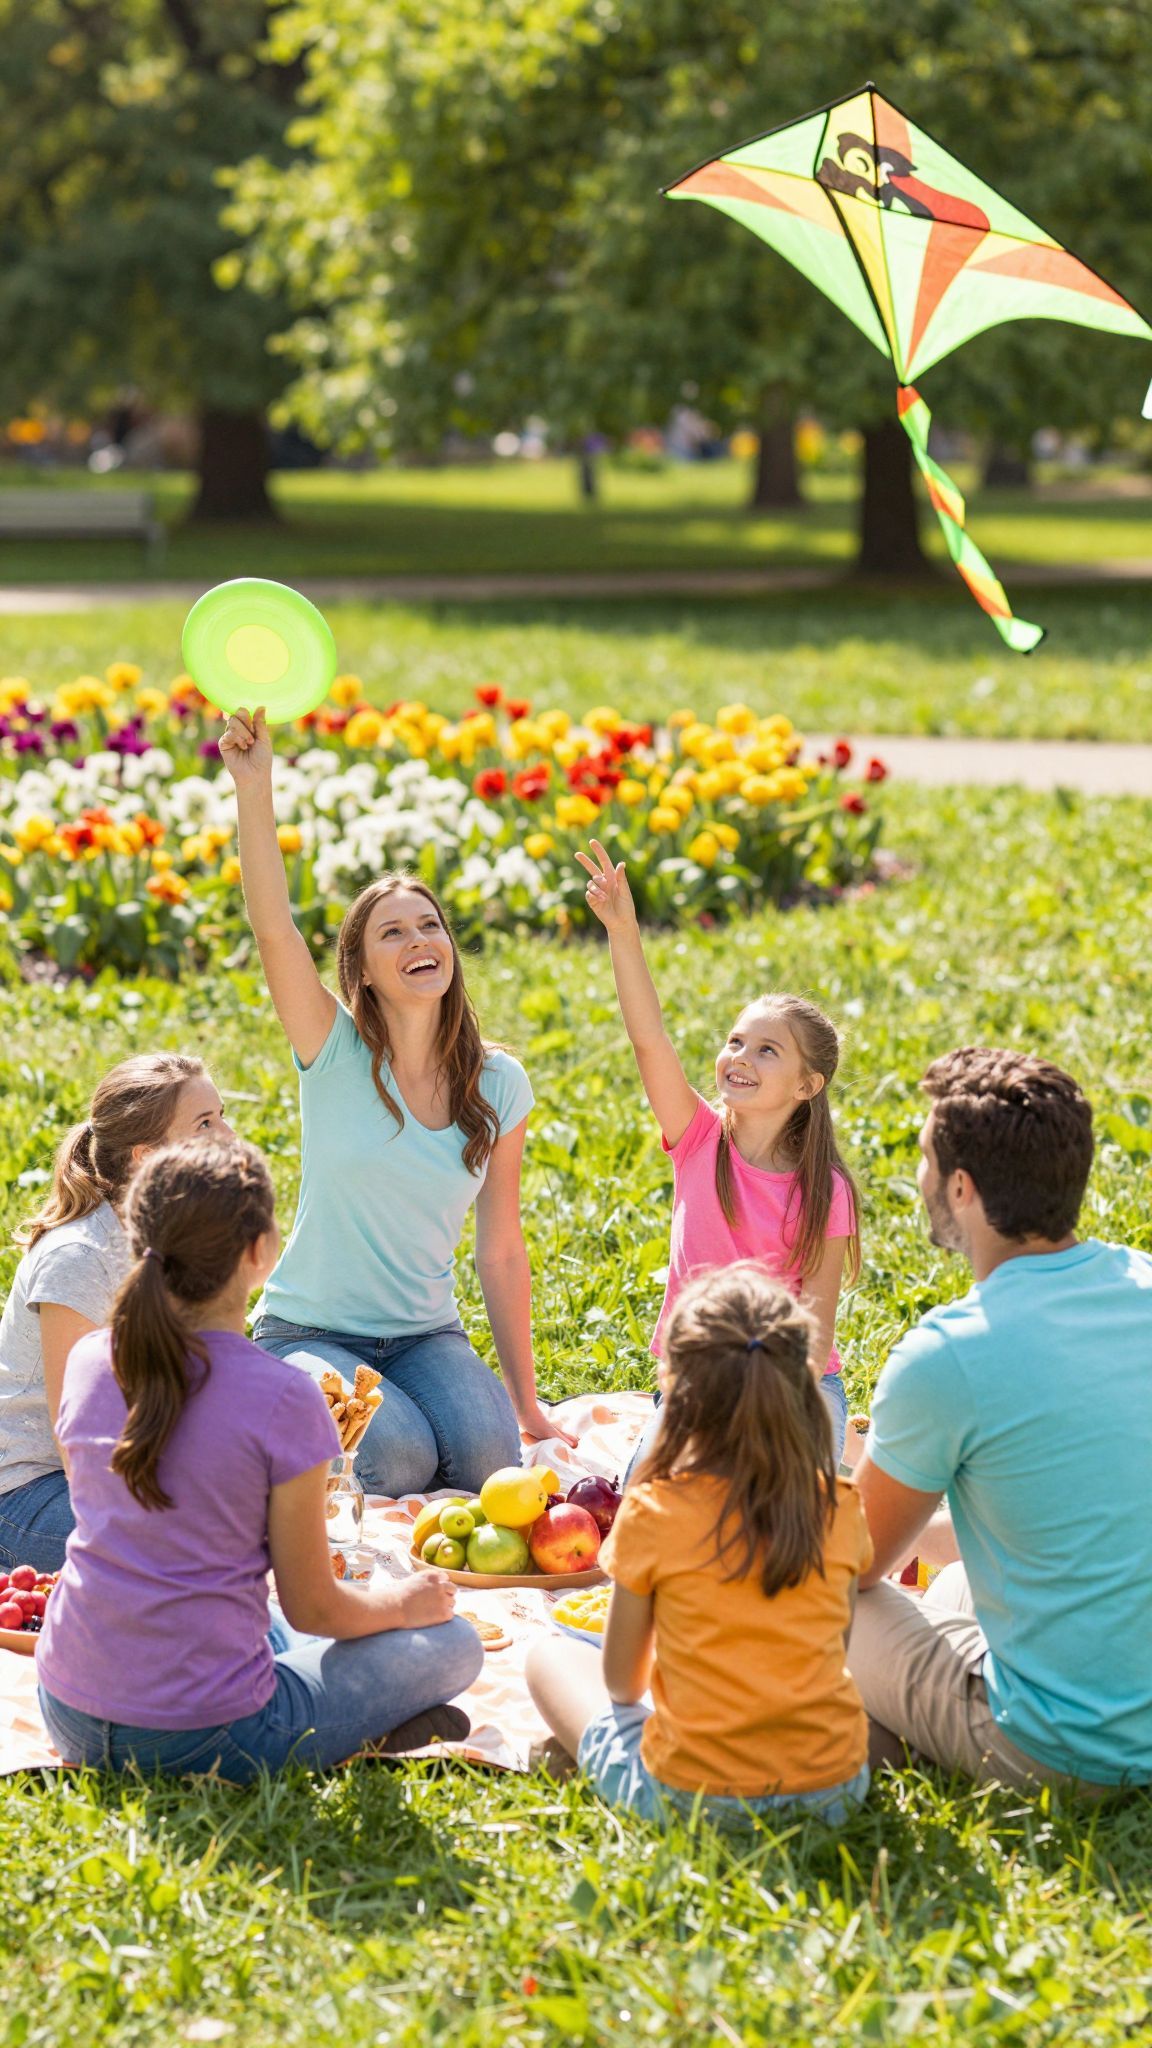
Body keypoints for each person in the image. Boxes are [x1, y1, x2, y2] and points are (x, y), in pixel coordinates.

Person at [37, 1140, 483, 1781]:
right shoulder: (284, 1396)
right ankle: (353, 1731)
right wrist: (403, 1606)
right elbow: (316, 1610)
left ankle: (356, 1721)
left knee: (267, 1620)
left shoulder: (90, 1359)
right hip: (203, 1736)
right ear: (260, 1254)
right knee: (454, 1645)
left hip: (69, 1705)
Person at [220, 703, 574, 1499]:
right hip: (307, 1332)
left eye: (430, 926)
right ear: (363, 972)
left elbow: (503, 1248)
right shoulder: (334, 1049)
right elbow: (274, 928)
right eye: (393, 933)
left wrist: (524, 1400)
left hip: (424, 1335)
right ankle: (276, 1422)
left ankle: (418, 1424)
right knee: (399, 1459)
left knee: (491, 1459)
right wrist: (255, 785)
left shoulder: (500, 1082)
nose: (419, 941)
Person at [849, 1047, 1152, 1793]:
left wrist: (824, 1483)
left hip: (1066, 1751)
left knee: (815, 1606)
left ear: (961, 1188)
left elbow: (847, 1567)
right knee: (951, 1590)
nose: (918, 1179)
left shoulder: (949, 1354)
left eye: (924, 1161)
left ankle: (869, 1742)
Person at [526, 1263, 872, 1829]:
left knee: (550, 1658)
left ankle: (587, 1763)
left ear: (675, 1397)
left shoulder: (653, 1512)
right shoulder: (839, 1504)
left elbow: (622, 1682)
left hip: (689, 1797)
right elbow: (836, 1654)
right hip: (833, 1791)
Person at [577, 838, 859, 1467]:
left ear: (807, 1086)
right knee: (649, 1515)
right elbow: (648, 1039)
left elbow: (813, 1344)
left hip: (795, 1391)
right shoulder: (699, 1138)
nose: (740, 1057)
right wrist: (623, 932)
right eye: (736, 1041)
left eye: (768, 1050)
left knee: (785, 1519)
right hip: (695, 1385)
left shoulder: (826, 1192)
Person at [0, 1053, 232, 1574]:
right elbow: (77, 1443)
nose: (230, 1136)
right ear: (146, 1157)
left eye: (221, 1115)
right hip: (25, 1493)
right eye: (204, 1124)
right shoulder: (79, 1260)